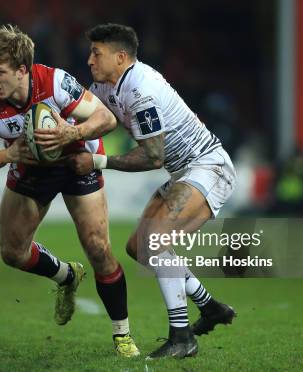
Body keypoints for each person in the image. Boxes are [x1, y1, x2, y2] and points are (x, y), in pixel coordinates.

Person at [0, 24, 139, 357]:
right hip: (30, 168)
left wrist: (73, 132)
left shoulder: (53, 82)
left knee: (98, 248)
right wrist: (7, 154)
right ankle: (66, 275)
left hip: (76, 161)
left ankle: (122, 335)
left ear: (22, 70)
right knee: (12, 253)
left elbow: (106, 118)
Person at [63, 23, 237, 359]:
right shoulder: (107, 85)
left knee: (155, 243)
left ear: (121, 56)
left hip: (208, 167)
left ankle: (182, 337)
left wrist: (97, 161)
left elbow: (153, 156)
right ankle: (210, 307)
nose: (89, 60)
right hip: (185, 172)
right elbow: (81, 113)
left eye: (96, 53)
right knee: (138, 248)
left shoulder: (141, 91)